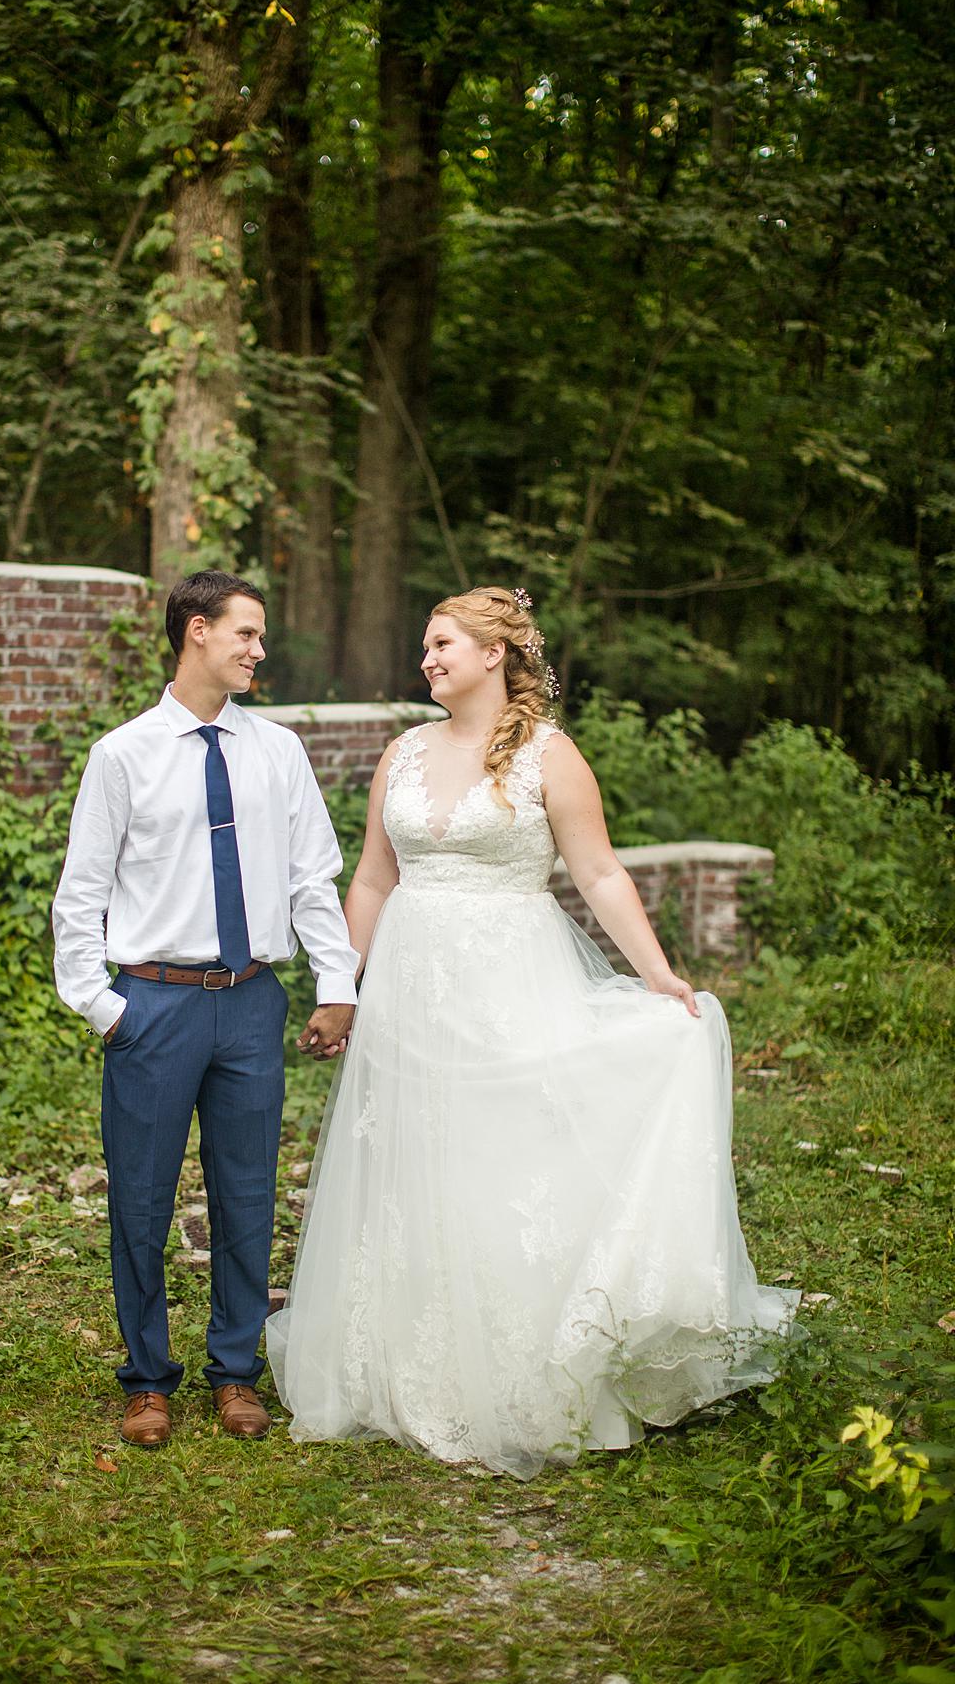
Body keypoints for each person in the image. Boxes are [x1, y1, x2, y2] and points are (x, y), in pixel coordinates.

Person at [266, 585, 797, 1481]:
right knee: (413, 1159)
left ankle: (529, 1363)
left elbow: (597, 872)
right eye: (424, 646)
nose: (426, 659)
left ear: (493, 654)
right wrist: (341, 986)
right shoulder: (403, 751)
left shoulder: (550, 755)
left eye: (441, 644)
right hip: (409, 990)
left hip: (510, 983)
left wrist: (658, 973)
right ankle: (407, 1361)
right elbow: (371, 879)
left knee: (505, 1161)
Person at [52, 570, 357, 1448]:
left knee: (249, 1194)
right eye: (247, 634)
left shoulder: (279, 751)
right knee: (142, 1203)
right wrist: (103, 1007)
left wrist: (335, 985)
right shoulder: (124, 755)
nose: (260, 651)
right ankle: (147, 1379)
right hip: (154, 1004)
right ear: (196, 631)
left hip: (251, 1004)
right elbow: (82, 895)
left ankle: (235, 1373)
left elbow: (311, 880)